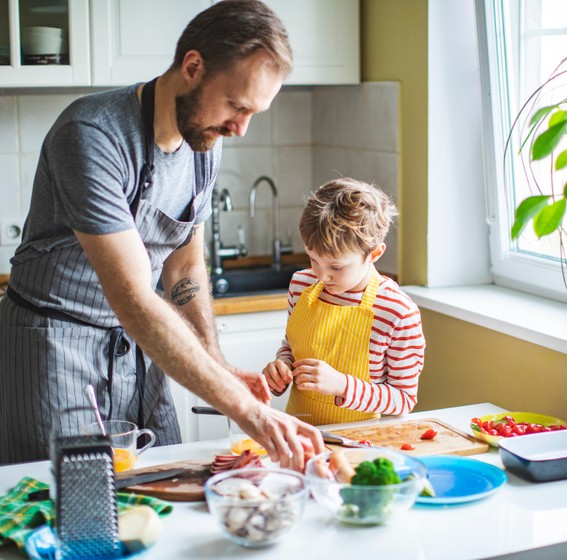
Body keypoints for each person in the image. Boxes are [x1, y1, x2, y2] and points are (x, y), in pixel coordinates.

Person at [0, 0, 323, 469]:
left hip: (137, 348)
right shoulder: (91, 134)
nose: (241, 128)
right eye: (236, 105)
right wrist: (246, 409)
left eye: (254, 112)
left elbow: (184, 265)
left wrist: (217, 364)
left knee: (163, 484)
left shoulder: (203, 145)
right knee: (65, 504)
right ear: (193, 66)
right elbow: (133, 297)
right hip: (55, 346)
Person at [263, 178, 426, 425]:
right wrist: (282, 365)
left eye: (336, 266)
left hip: (362, 441)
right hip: (300, 433)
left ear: (374, 254)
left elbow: (403, 398)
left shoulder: (398, 311)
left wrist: (342, 386)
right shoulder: (301, 285)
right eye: (313, 259)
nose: (321, 275)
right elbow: (291, 345)